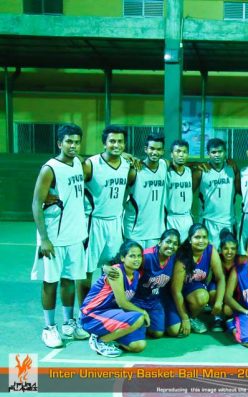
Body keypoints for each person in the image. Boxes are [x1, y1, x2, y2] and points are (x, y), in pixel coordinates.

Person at [31, 123, 89, 347]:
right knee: (50, 282)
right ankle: (49, 328)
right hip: (53, 237)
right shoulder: (50, 169)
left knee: (69, 280)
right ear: (59, 143)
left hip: (74, 235)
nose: (73, 146)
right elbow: (36, 203)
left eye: (77, 142)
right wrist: (44, 239)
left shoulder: (78, 162)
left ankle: (68, 323)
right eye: (69, 142)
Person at [81, 125, 134, 307]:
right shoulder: (91, 164)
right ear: (104, 143)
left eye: (120, 141)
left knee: (113, 268)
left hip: (115, 223)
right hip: (94, 223)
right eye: (112, 141)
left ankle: (104, 307)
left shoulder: (128, 165)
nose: (116, 145)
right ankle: (84, 312)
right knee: (86, 270)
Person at [80, 241, 149, 357]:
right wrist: (143, 312)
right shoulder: (115, 272)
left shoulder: (136, 275)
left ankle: (108, 336)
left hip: (111, 315)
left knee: (138, 345)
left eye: (139, 256)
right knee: (139, 318)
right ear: (122, 258)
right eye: (132, 256)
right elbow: (122, 303)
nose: (137, 259)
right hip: (92, 316)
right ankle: (100, 341)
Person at [170, 224, 226, 335]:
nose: (201, 241)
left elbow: (221, 278)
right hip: (181, 290)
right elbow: (175, 291)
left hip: (198, 287)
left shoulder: (210, 250)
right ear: (190, 239)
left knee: (215, 294)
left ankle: (194, 317)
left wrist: (219, 302)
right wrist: (184, 318)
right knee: (174, 330)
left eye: (204, 237)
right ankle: (188, 317)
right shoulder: (183, 256)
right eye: (197, 237)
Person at [131, 229, 182, 338]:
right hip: (137, 299)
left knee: (157, 333)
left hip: (154, 300)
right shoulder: (146, 256)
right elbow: (125, 264)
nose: (171, 246)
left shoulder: (174, 258)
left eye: (175, 244)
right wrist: (107, 268)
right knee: (137, 334)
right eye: (168, 242)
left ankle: (147, 321)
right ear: (160, 242)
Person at [123, 134, 168, 248]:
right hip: (135, 231)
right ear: (145, 149)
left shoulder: (164, 165)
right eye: (152, 148)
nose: (155, 152)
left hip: (156, 231)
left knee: (151, 260)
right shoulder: (135, 170)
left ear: (163, 151)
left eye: (158, 149)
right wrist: (122, 154)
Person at [194, 138, 239, 247]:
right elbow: (187, 193)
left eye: (220, 152)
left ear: (225, 153)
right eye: (213, 152)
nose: (217, 155)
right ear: (208, 154)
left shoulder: (232, 169)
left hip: (229, 222)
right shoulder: (201, 171)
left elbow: (240, 191)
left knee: (228, 255)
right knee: (209, 255)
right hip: (208, 221)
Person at [166, 139, 194, 241]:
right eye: (178, 151)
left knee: (186, 248)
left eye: (184, 152)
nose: (181, 155)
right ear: (171, 154)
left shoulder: (190, 171)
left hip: (187, 217)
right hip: (171, 218)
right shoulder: (165, 172)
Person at [211, 228, 238, 332]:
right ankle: (217, 318)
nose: (229, 252)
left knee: (228, 310)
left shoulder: (240, 260)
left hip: (231, 292)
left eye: (233, 248)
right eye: (225, 248)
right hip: (218, 290)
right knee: (212, 292)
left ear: (237, 250)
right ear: (220, 249)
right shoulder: (216, 259)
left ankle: (229, 319)